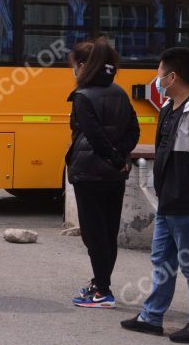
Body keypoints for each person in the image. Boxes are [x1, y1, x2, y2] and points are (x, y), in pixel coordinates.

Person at [121, 47, 189, 343]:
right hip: (169, 198)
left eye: (159, 74)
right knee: (162, 258)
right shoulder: (170, 108)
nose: (156, 79)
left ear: (172, 76)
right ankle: (152, 316)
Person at [66, 37, 140, 308]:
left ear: (85, 66)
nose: (74, 71)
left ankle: (102, 292)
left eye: (75, 66)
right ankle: (100, 285)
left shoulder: (83, 97)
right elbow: (134, 129)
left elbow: (95, 136)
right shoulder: (120, 92)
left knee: (94, 234)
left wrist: (111, 156)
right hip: (114, 176)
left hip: (89, 174)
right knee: (108, 232)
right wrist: (120, 158)